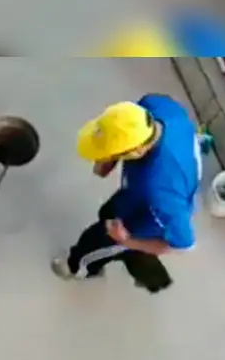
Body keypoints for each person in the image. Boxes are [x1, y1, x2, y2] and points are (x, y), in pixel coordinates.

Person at [51, 94, 202, 292]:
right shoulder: (155, 107)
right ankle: (133, 255)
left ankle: (80, 268)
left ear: (136, 151)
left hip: (147, 220)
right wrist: (108, 157)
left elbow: (184, 245)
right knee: (107, 212)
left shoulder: (161, 193)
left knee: (95, 242)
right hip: (136, 196)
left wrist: (127, 240)